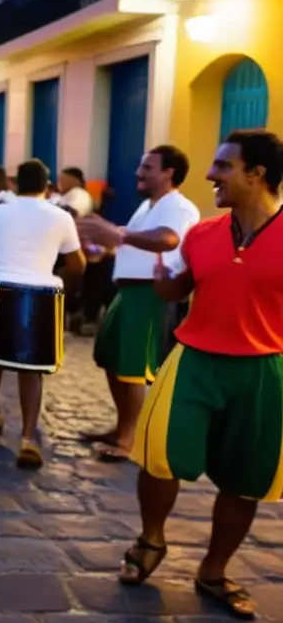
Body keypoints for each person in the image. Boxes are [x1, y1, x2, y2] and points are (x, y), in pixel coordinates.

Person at [123, 129, 283, 619]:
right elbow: (180, 291)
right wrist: (166, 283)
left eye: (223, 166)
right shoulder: (203, 234)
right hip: (193, 361)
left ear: (256, 174)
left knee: (245, 479)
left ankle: (213, 570)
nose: (211, 175)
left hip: (263, 370)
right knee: (159, 456)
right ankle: (151, 540)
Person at [77, 146, 200, 460]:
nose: (138, 173)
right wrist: (101, 248)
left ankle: (129, 439)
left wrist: (116, 232)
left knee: (132, 364)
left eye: (147, 167)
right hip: (127, 291)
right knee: (111, 358)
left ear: (168, 172)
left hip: (149, 293)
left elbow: (167, 239)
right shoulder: (147, 206)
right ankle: (122, 427)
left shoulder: (178, 206)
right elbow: (131, 244)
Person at [0, 159, 86, 467]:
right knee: (31, 369)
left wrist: (2, 253)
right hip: (41, 294)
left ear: (15, 185)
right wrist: (54, 275)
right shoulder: (61, 217)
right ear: (48, 187)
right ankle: (28, 438)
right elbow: (78, 265)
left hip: (0, 286)